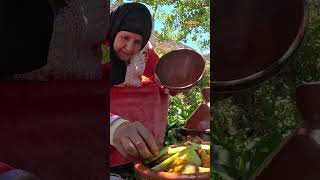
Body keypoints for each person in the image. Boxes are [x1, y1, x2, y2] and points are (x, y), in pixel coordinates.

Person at [105, 2, 173, 172]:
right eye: (125, 38)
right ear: (114, 31)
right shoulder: (96, 50)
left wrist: (174, 84)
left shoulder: (144, 54)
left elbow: (160, 75)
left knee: (154, 89)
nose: (129, 48)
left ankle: (138, 155)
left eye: (137, 42)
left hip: (128, 115)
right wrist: (114, 124)